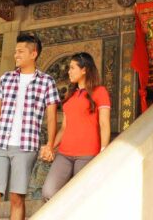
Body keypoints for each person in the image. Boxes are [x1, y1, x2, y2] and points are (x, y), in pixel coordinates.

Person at [0, 34, 60, 220]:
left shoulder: (46, 81)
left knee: (17, 198)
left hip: (26, 147)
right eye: (15, 51)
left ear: (33, 53)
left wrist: (50, 144)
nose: (16, 55)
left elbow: (51, 118)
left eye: (20, 51)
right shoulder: (6, 79)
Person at [41, 52, 110, 200]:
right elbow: (64, 128)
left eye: (72, 68)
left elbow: (104, 123)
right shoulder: (70, 96)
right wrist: (51, 146)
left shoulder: (100, 91)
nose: (69, 71)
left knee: (83, 196)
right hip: (64, 154)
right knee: (48, 192)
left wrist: (104, 150)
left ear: (84, 69)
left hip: (87, 154)